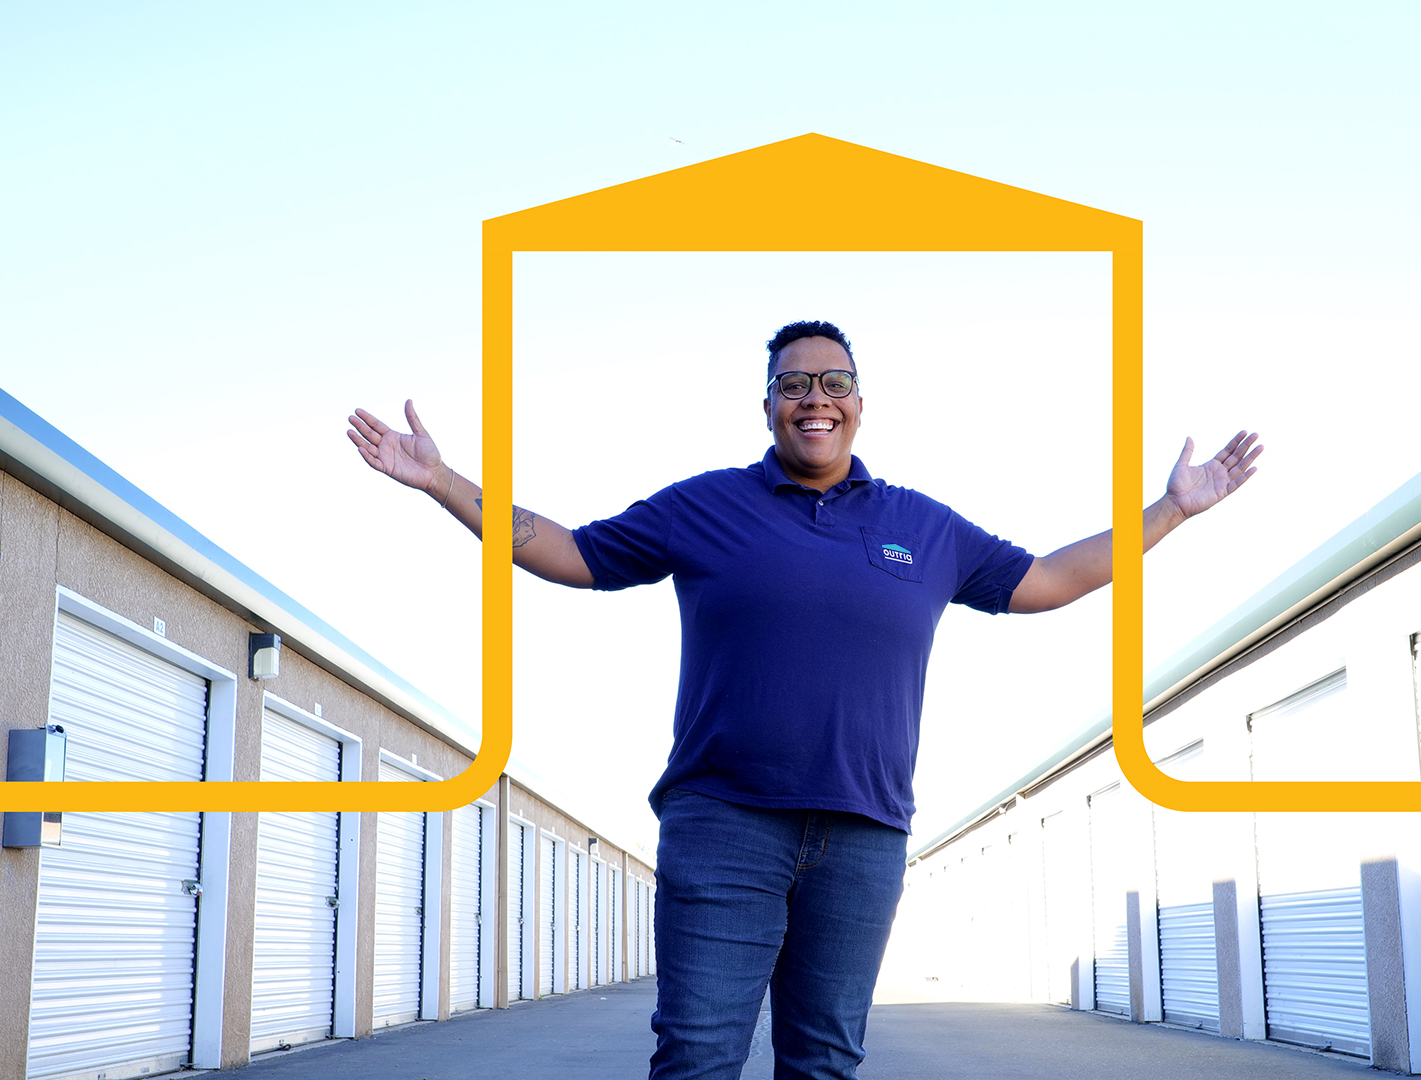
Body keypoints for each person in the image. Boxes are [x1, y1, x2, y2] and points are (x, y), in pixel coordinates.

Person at [347, 320, 1260, 1080]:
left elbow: (1052, 579)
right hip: (725, 821)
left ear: (861, 402)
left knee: (823, 1063)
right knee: (699, 1056)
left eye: (834, 381)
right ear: (769, 405)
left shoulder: (922, 525)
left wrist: (1171, 510)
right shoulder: (706, 506)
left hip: (864, 833)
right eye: (793, 384)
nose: (814, 397)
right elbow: (570, 553)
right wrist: (442, 482)